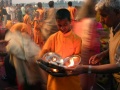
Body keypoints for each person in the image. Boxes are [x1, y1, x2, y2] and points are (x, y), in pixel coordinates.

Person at [63, 0, 120, 90]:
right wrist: (104, 53)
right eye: (100, 15)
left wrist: (86, 69)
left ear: (117, 13)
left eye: (104, 16)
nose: (101, 20)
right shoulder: (113, 27)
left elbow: (118, 66)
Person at [38, 8, 82, 90]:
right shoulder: (53, 38)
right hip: (55, 81)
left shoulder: (77, 39)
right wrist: (47, 63)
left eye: (65, 24)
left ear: (70, 22)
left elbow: (77, 58)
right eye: (59, 25)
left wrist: (67, 64)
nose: (62, 28)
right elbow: (43, 54)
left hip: (70, 80)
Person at [5, 23, 47, 90]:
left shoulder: (14, 43)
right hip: (31, 80)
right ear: (22, 30)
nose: (30, 33)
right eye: (28, 31)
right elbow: (34, 59)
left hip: (23, 79)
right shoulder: (24, 43)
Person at [73, 0, 102, 89]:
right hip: (89, 58)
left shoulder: (79, 21)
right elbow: (92, 44)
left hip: (77, 56)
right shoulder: (91, 21)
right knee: (88, 83)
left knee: (79, 82)